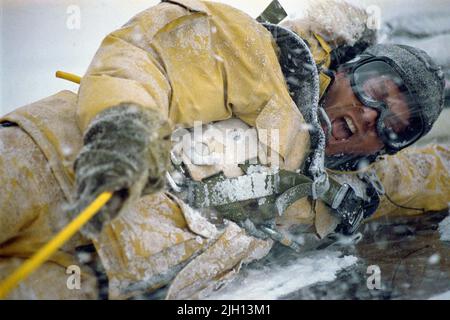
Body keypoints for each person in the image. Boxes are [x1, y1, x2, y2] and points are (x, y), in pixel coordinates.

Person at [0, 0, 448, 299]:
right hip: (51, 162)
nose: (372, 115)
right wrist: (124, 126)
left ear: (387, 148)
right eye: (376, 89)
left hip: (97, 277)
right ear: (347, 70)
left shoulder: (342, 195)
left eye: (394, 125)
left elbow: (428, 175)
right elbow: (151, 53)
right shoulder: (265, 58)